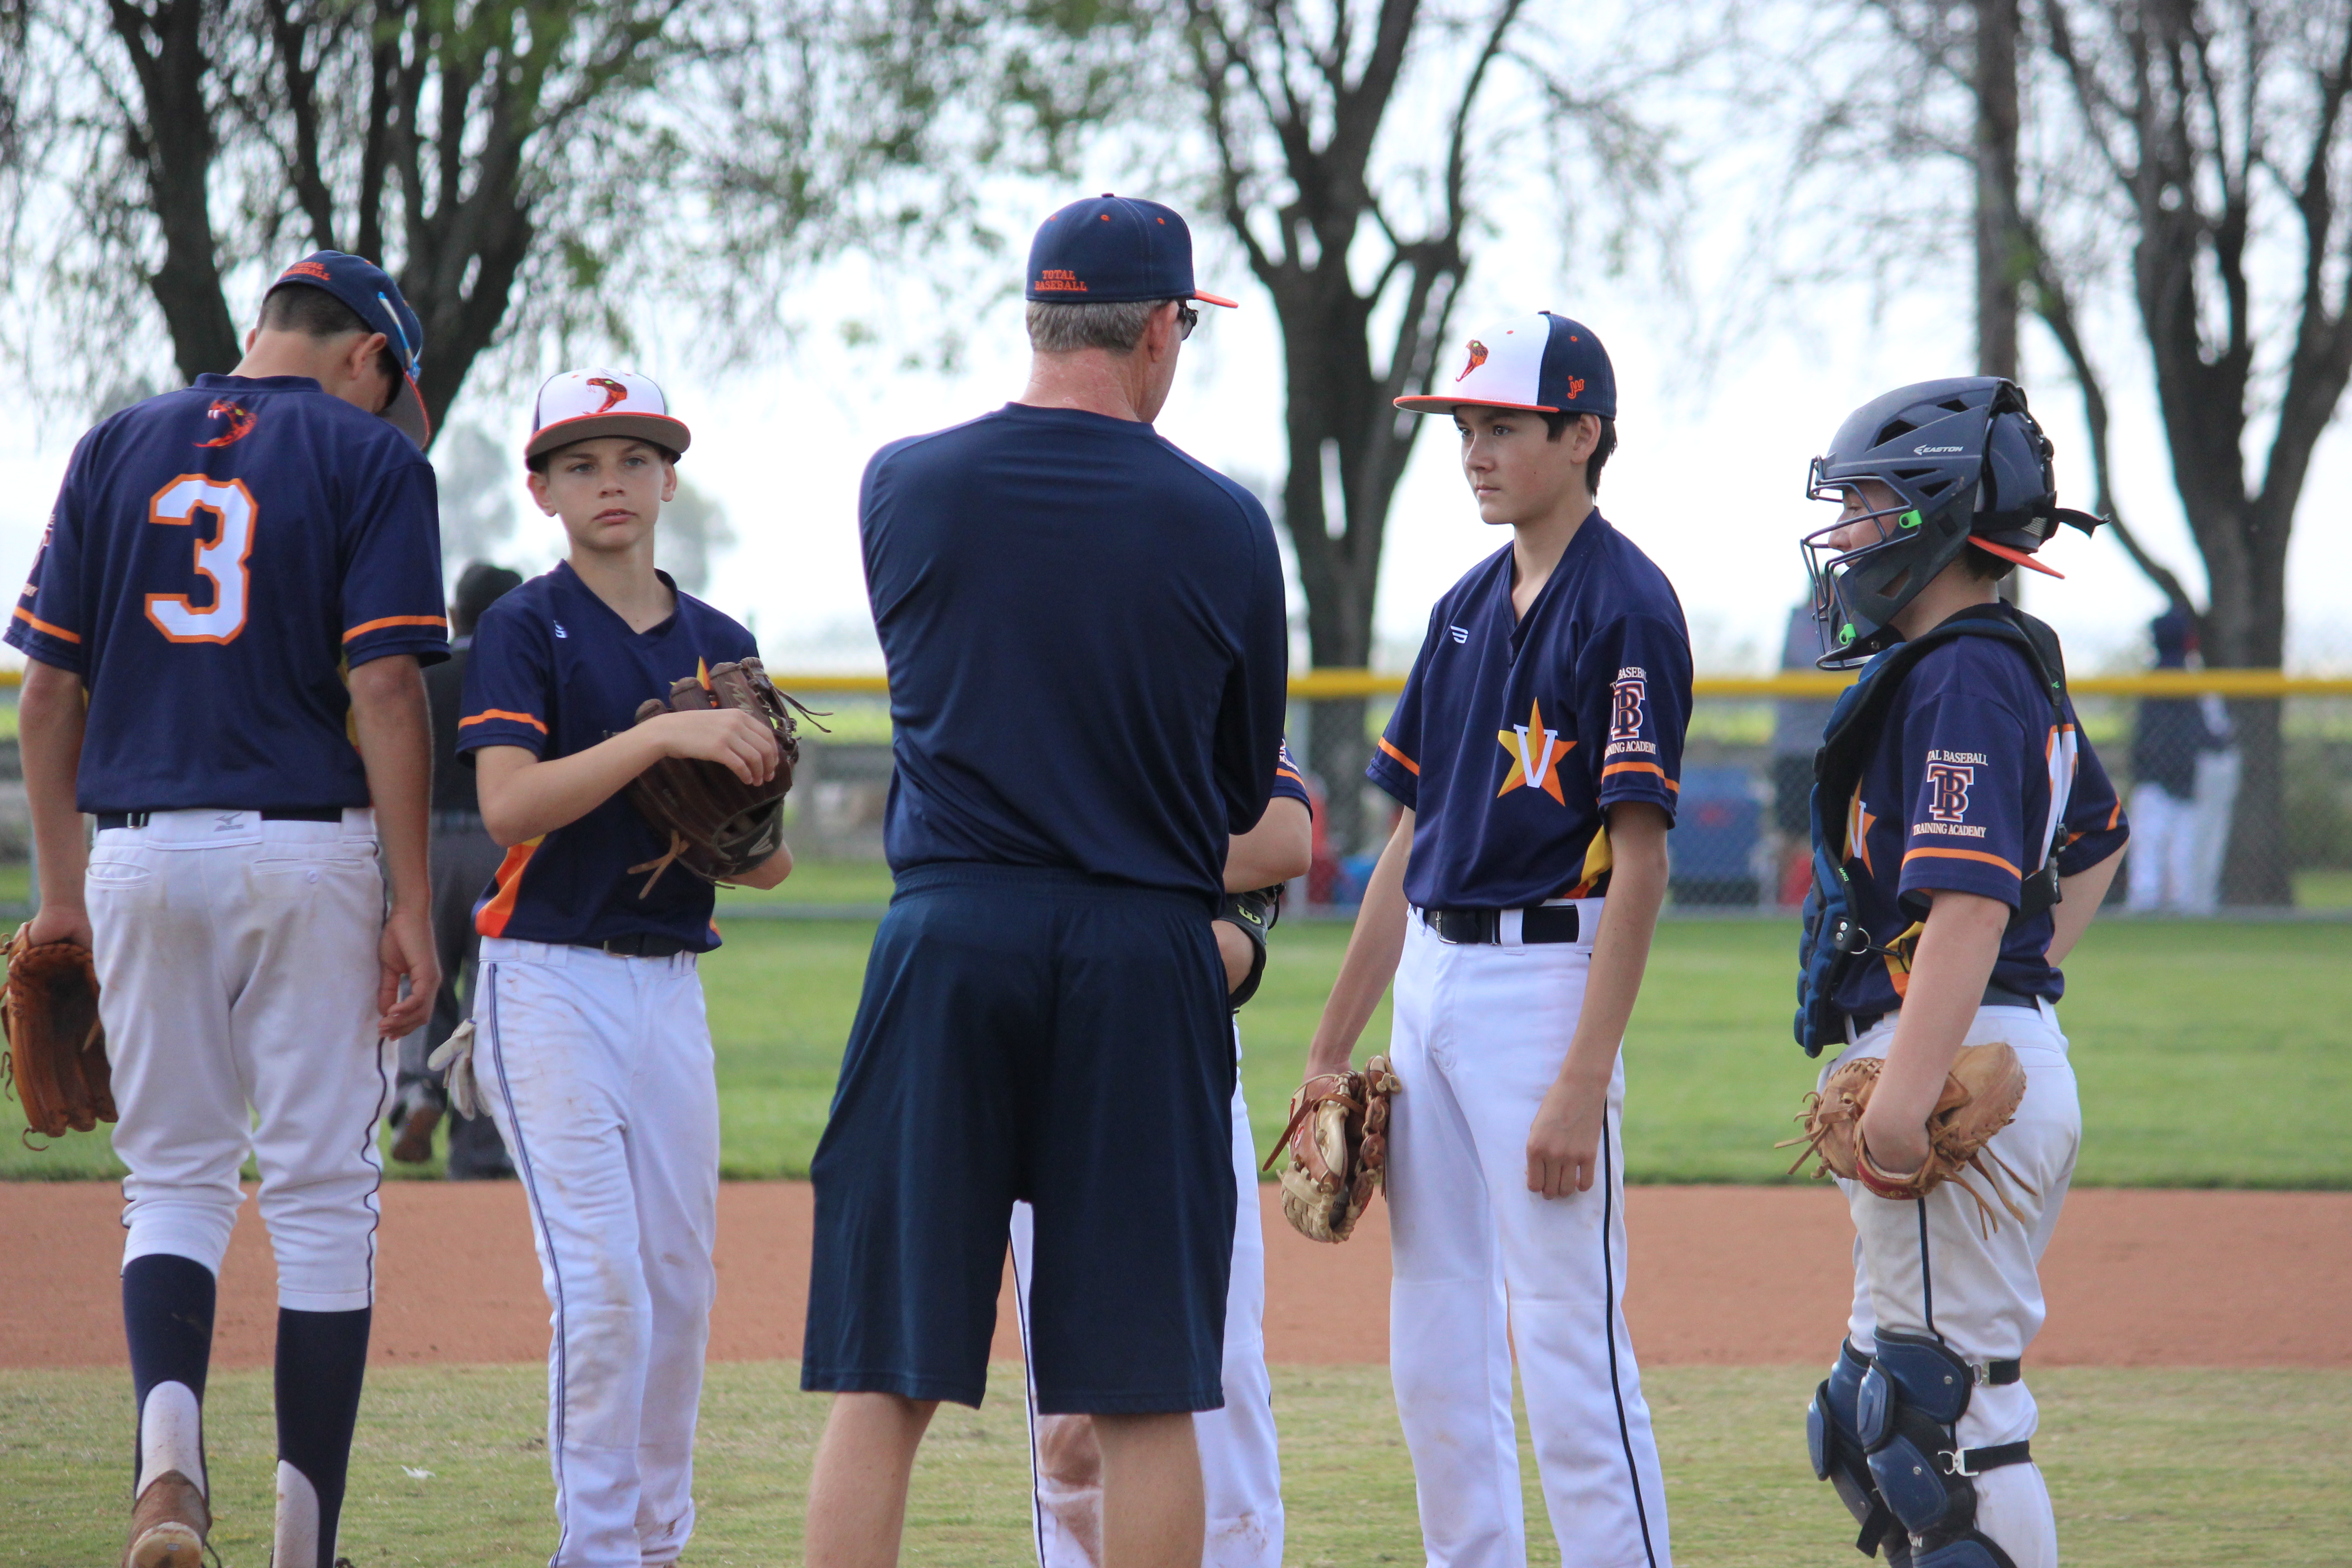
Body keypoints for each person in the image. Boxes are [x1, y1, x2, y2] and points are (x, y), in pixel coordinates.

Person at [799, 194, 1288, 1568]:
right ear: (1154, 328)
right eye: (1184, 326)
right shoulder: (1222, 522)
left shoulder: (903, 483)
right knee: (1143, 1390)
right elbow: (1241, 790)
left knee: (886, 1373)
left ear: (1037, 317)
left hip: (950, 931)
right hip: (1139, 948)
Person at [10, 250, 445, 1568]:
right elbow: (385, 692)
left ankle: (165, 1471)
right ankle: (303, 1543)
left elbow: (44, 696)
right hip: (305, 848)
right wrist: (416, 903)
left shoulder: (116, 442)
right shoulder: (373, 463)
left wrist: (57, 898)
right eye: (394, 392)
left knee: (174, 1180)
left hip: (137, 853)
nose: (391, 417)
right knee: (320, 1190)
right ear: (368, 356)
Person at [1302, 311, 1687, 1568]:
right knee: (1434, 1339)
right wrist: (1329, 1046)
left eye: (1504, 426)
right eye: (1465, 426)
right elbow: (1406, 845)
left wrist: (1584, 1075)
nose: (1473, 448)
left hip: (1544, 987)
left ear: (1583, 434)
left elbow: (1642, 857)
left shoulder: (1627, 607)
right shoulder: (1463, 608)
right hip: (1434, 982)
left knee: (1569, 1342)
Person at [447, 368, 791, 1568]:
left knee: (681, 1294)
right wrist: (660, 736)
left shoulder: (721, 644)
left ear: (668, 481)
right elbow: (508, 807)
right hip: (544, 982)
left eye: (634, 459)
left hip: (666, 987)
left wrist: (738, 823)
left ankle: (656, 1544)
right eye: (584, 463)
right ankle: (594, 1550)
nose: (613, 483)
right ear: (541, 489)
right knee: (603, 1292)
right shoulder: (523, 628)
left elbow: (770, 868)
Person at [1789, 377, 2128, 1568]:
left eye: (1871, 505)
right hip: (1971, 1033)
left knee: (1944, 1426)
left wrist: (1913, 1077)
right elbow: (2092, 847)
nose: (1849, 535)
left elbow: (1979, 904)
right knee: (1870, 1420)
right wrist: (2004, 995)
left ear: (1937, 515)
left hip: (1949, 1055)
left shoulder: (1963, 673)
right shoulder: (1993, 661)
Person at [1010, 743, 1314, 1568]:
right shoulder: (1017, 673)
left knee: (1224, 1366)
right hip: (1046, 1041)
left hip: (1187, 1049)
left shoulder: (1193, 666)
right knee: (1067, 1406)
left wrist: (1091, 852)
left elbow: (1284, 837)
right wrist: (1158, 862)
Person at [389, 558, 524, 1175]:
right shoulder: (521, 676)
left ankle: (419, 1090)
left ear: (455, 615)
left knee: (425, 980)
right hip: (504, 849)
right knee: (492, 1000)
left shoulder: (427, 671)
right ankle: (478, 1152)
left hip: (425, 849)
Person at [2126, 604, 2236, 913]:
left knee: (2151, 848)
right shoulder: (2192, 683)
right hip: (2183, 780)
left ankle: (2148, 903)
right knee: (2180, 850)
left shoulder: (2157, 680)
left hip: (2157, 779)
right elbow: (2214, 737)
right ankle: (2177, 904)